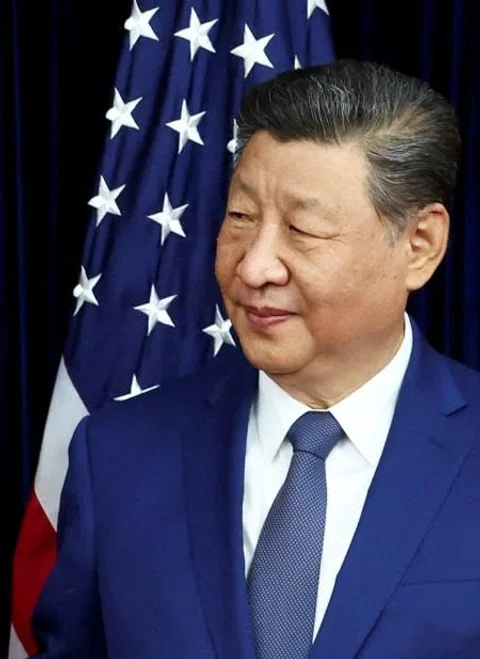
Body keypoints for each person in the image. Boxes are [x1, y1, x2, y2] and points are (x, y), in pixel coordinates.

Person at [31, 59, 474, 658]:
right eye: (240, 218)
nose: (253, 266)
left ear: (419, 246)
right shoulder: (117, 458)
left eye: (303, 229)